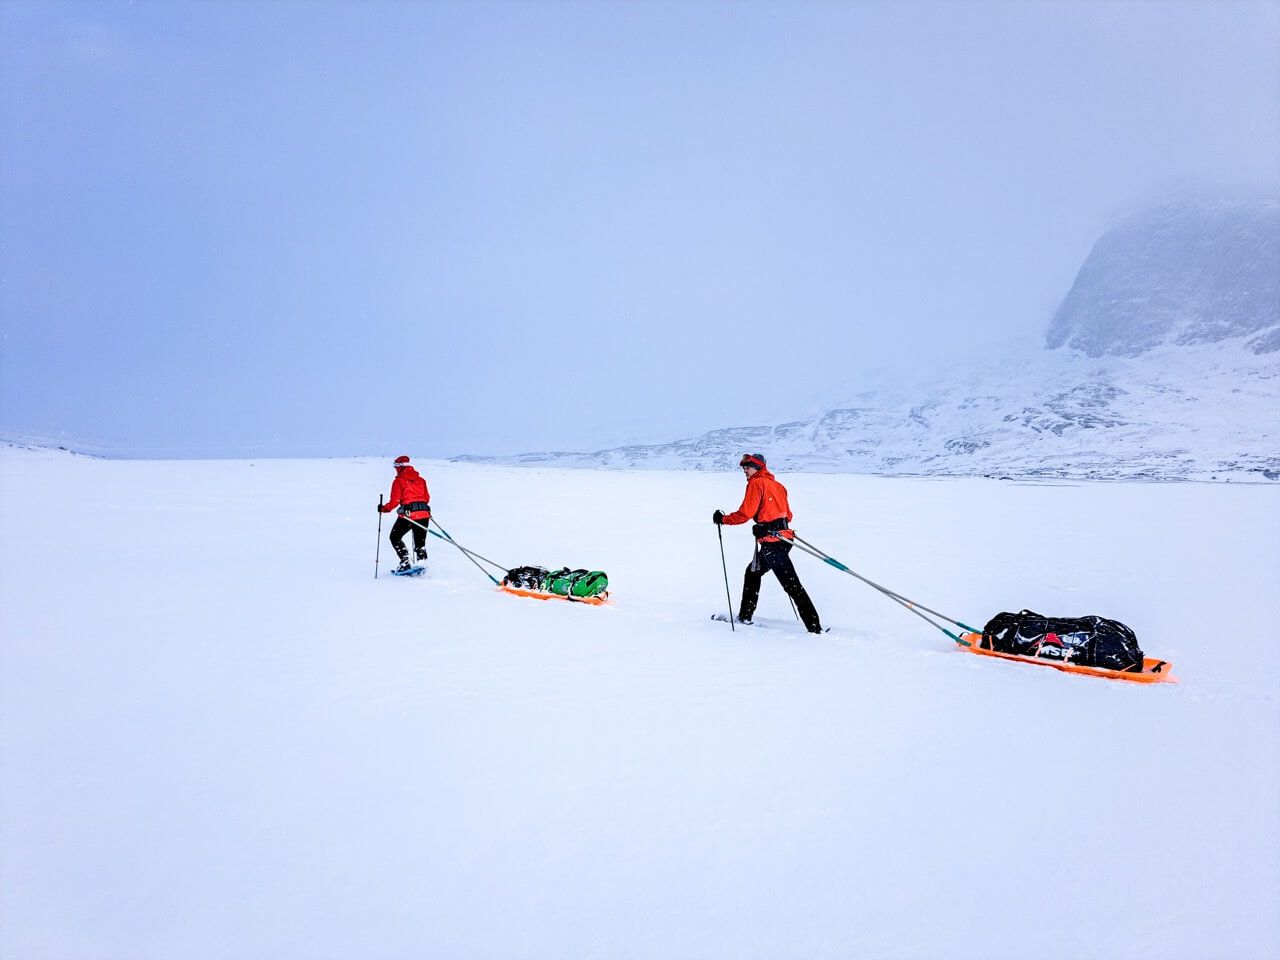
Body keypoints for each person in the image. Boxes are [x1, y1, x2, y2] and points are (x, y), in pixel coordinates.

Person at [714, 453, 823, 634]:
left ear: (758, 468)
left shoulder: (756, 483)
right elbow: (788, 515)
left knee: (792, 585)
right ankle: (745, 616)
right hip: (784, 538)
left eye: (747, 467)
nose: (744, 471)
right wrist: (765, 525)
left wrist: (723, 519)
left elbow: (744, 514)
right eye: (743, 467)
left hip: (773, 542)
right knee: (752, 572)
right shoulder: (779, 486)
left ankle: (814, 628)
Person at [378, 455, 432, 572]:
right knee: (420, 542)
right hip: (424, 514)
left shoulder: (399, 481)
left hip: (408, 515)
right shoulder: (421, 480)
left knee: (395, 537)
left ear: (401, 467)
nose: (395, 468)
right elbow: (426, 498)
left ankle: (405, 561)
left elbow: (394, 501)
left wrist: (384, 509)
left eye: (396, 466)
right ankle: (421, 564)